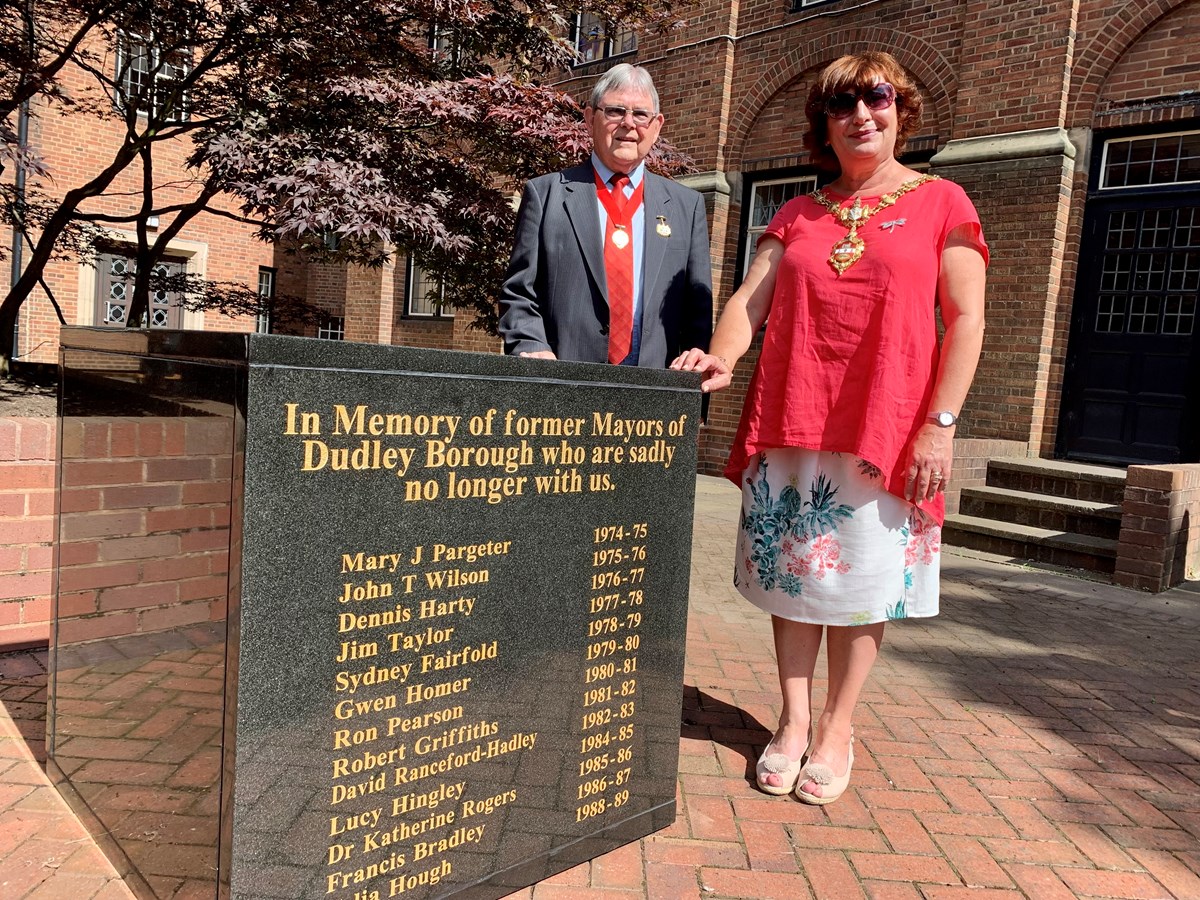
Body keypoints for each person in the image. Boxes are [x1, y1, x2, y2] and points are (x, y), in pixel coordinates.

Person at [671, 51, 987, 805]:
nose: (860, 115)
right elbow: (751, 302)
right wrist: (719, 357)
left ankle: (838, 727)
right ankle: (792, 720)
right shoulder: (799, 213)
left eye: (876, 98)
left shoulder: (943, 201)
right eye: (842, 104)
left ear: (900, 109)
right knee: (796, 582)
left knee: (863, 587)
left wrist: (940, 424)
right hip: (795, 420)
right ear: (825, 124)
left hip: (887, 429)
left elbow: (967, 318)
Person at [498, 64, 713, 366]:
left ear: (657, 125)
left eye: (640, 114)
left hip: (653, 395)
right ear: (589, 119)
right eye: (615, 111)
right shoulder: (546, 195)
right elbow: (519, 292)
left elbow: (698, 312)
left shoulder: (686, 206)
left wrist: (692, 374)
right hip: (560, 387)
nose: (628, 123)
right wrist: (531, 346)